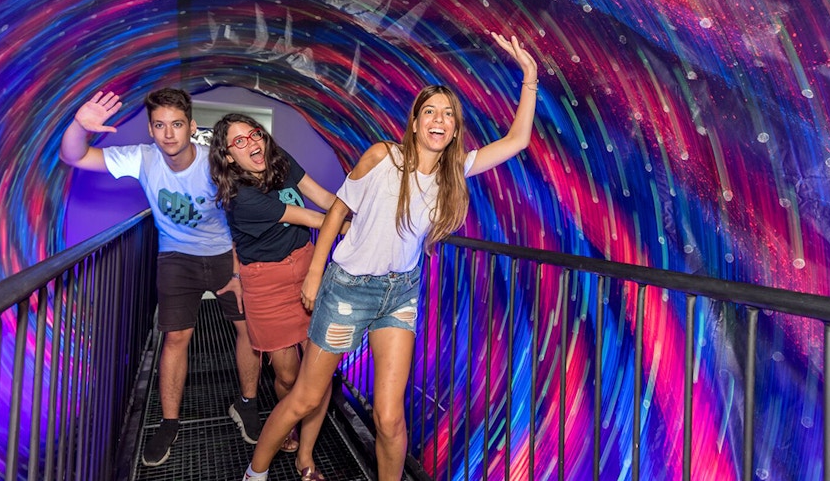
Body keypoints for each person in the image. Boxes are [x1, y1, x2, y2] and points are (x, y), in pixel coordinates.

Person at [242, 32, 539, 481]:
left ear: (455, 129)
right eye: (429, 112)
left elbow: (516, 141)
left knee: (389, 418)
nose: (438, 120)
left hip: (400, 294)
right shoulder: (384, 157)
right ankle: (255, 473)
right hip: (347, 290)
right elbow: (338, 209)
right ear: (416, 123)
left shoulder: (454, 173)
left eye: (448, 115)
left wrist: (530, 79)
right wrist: (314, 274)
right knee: (305, 396)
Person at [59, 87, 262, 467]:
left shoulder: (213, 162)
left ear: (191, 127)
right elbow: (74, 156)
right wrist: (78, 126)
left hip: (222, 255)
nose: (169, 133)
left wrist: (237, 267)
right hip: (175, 258)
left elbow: (244, 211)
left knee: (247, 328)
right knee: (175, 338)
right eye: (160, 125)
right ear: (151, 131)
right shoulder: (142, 157)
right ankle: (170, 423)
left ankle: (247, 404)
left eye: (177, 124)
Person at [209, 114, 346, 481]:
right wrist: (361, 229)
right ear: (227, 157)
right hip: (267, 285)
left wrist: (360, 216)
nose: (253, 142)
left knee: (319, 373)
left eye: (255, 133)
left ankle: (306, 454)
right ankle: (286, 420)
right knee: (288, 375)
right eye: (239, 141)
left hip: (307, 268)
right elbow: (314, 218)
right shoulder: (242, 199)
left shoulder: (279, 158)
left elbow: (325, 199)